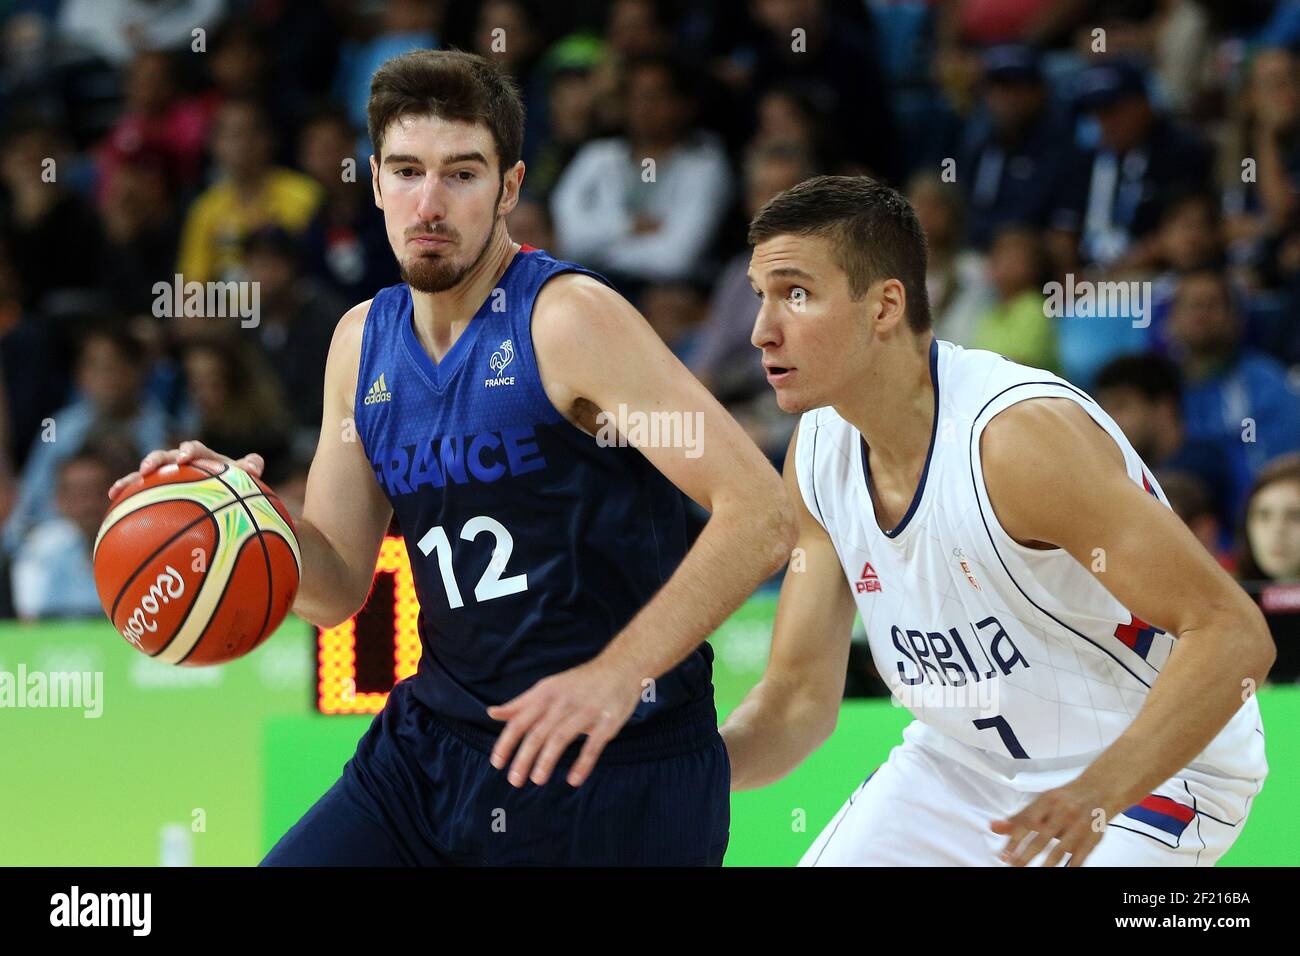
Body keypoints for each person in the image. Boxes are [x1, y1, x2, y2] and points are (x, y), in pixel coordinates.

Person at [110, 49, 793, 866]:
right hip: (432, 751)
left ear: (508, 188)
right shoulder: (361, 342)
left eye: (461, 175)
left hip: (615, 768)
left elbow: (762, 514)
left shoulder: (568, 321)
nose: (429, 203)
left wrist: (618, 672)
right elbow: (335, 590)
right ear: (373, 183)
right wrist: (240, 511)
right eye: (406, 171)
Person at [724, 175, 1272, 866]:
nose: (761, 330)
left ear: (885, 305)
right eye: (760, 297)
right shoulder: (816, 453)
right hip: (962, 764)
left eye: (795, 295)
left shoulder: (1016, 441)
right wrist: (686, 769)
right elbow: (798, 698)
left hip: (1150, 768)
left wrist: (1094, 793)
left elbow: (1233, 635)